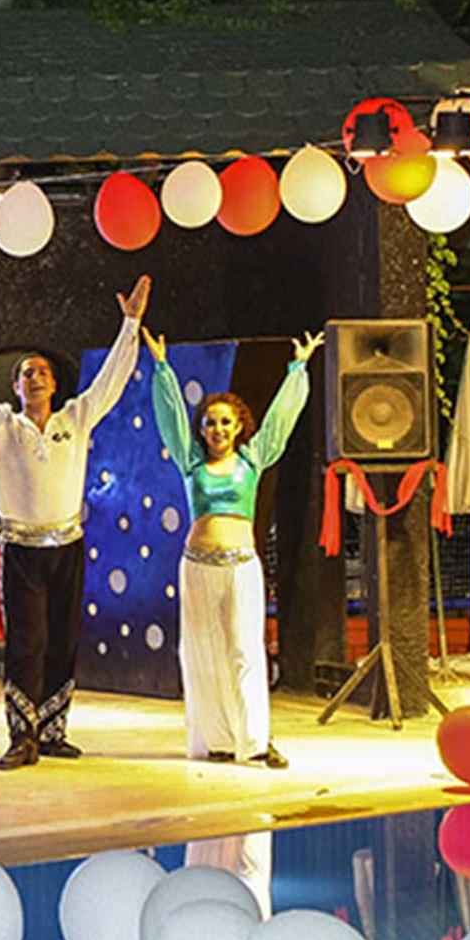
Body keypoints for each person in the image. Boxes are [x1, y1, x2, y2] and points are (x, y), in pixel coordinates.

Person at [0, 275, 150, 771]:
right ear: (15, 387)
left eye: (42, 372)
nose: (35, 378)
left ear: (54, 384)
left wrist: (131, 325)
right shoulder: (1, 424)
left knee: (63, 640)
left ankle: (54, 731)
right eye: (26, 373)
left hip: (68, 547)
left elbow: (113, 379)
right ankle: (23, 737)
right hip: (21, 551)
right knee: (27, 643)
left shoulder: (77, 417)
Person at [144, 328, 321, 769]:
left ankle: (255, 741)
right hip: (197, 566)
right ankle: (217, 740)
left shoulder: (252, 459)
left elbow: (280, 419)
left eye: (225, 421)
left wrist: (298, 368)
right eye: (210, 422)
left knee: (245, 650)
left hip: (241, 565)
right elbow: (171, 417)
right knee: (201, 652)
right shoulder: (191, 461)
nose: (217, 429)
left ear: (240, 425)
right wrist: (162, 368)